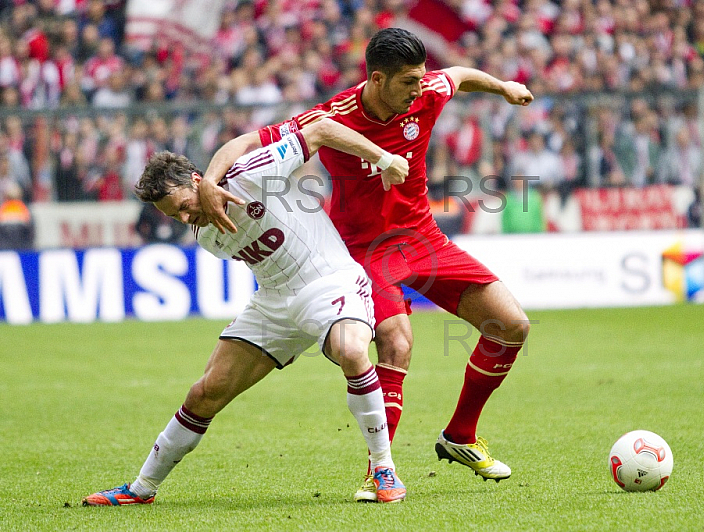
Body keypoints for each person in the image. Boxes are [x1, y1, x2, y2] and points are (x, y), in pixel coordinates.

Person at [198, 28, 533, 501]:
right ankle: (381, 472)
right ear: (377, 79)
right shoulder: (332, 117)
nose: (419, 90)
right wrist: (211, 181)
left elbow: (457, 74)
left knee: (511, 325)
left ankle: (460, 435)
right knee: (397, 341)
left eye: (421, 80)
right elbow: (245, 142)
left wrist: (504, 87)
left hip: (423, 238)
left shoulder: (427, 93)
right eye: (408, 83)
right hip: (362, 250)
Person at [81, 117, 410, 506]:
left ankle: (383, 469)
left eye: (184, 207)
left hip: (329, 281)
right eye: (174, 217)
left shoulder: (250, 174)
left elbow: (321, 129)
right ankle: (140, 489)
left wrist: (384, 158)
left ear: (197, 180)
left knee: (352, 351)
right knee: (205, 392)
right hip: (274, 301)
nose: (185, 220)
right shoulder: (206, 235)